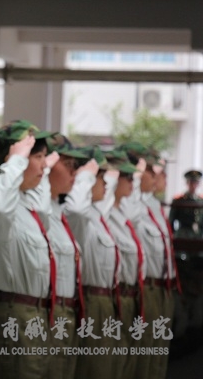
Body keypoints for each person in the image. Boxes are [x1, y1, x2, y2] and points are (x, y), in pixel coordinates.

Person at [0, 119, 53, 379]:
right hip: (14, 313)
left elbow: (44, 208)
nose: (45, 165)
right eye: (38, 157)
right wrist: (16, 161)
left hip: (36, 314)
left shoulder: (27, 205)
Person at [31, 133, 89, 379]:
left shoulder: (59, 212)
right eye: (68, 164)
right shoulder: (38, 212)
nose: (74, 172)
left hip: (66, 313)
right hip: (48, 313)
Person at [119, 143, 179, 379]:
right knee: (142, 357)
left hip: (164, 289)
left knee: (157, 357)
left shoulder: (154, 205)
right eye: (152, 171)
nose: (159, 177)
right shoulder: (132, 204)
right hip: (148, 288)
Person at [64, 146, 122, 379]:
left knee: (106, 368)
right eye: (100, 178)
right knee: (93, 369)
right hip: (91, 300)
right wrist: (86, 176)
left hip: (106, 300)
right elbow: (78, 209)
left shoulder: (96, 215)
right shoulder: (77, 216)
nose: (106, 185)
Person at [99, 149, 143, 379]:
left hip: (129, 296)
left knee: (126, 364)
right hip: (115, 297)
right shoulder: (103, 215)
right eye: (127, 177)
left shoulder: (121, 214)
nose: (132, 182)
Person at [169, 169, 203, 238]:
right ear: (187, 183)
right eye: (191, 183)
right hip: (183, 235)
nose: (193, 186)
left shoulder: (201, 200)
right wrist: (172, 235)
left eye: (196, 183)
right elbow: (171, 220)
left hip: (198, 235)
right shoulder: (179, 200)